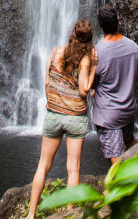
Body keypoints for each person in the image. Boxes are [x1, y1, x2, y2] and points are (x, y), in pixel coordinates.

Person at [25, 20, 96, 219]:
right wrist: (92, 71)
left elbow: (47, 81)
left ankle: (31, 213)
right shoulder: (84, 60)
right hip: (75, 117)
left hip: (53, 115)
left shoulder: (55, 52)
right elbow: (84, 90)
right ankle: (70, 211)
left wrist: (51, 103)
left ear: (72, 34)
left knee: (43, 165)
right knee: (73, 168)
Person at [92, 4, 138, 164]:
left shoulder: (97, 52)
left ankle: (124, 187)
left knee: (114, 155)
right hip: (127, 109)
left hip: (108, 114)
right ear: (118, 20)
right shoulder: (134, 47)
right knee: (130, 143)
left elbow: (91, 84)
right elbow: (135, 77)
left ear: (99, 25)